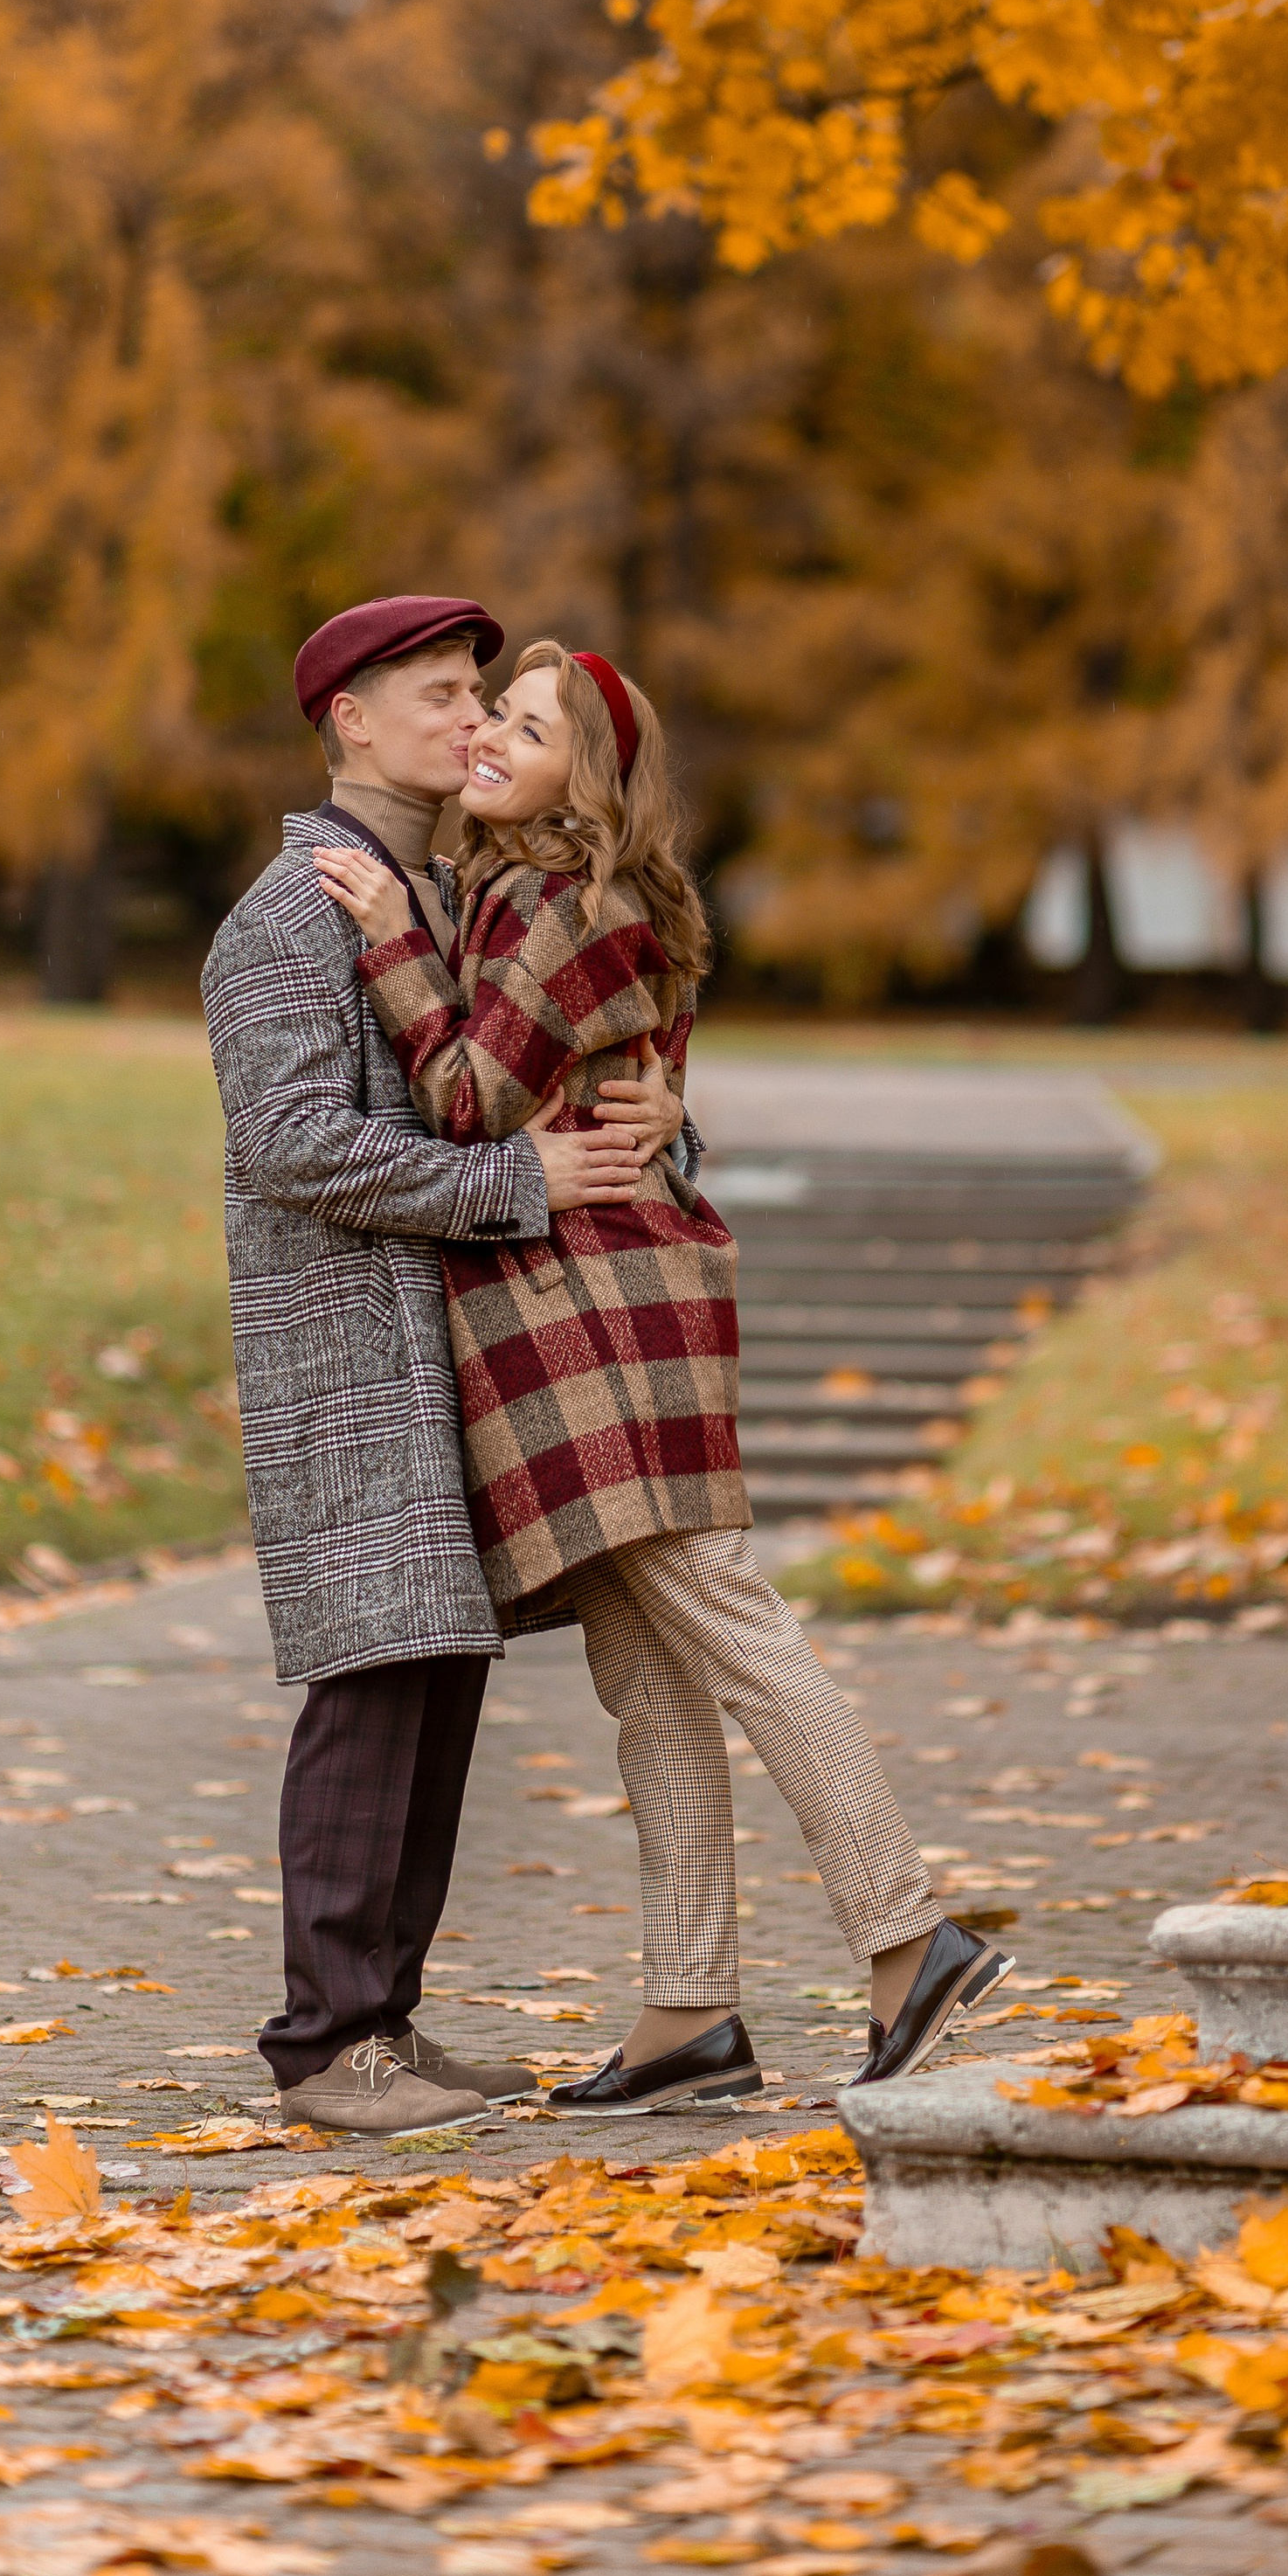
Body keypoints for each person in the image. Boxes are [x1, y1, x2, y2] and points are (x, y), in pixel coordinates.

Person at [314, 638, 1013, 2110]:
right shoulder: (526, 888)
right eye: (492, 711)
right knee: (649, 1678)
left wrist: (385, 931)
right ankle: (688, 2010)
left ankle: (909, 1936)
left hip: (605, 1317)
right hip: (583, 1308)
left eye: (531, 726)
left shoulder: (564, 899)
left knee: (729, 1623)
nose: (494, 735)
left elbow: (464, 1098)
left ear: (592, 773)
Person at [202, 594, 689, 2137]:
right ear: (347, 718)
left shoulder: (453, 889)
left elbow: (541, 1074)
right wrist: (522, 1184)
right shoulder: (289, 914)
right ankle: (326, 2045)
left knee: (437, 1686)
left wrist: (652, 1116)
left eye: (482, 692)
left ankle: (386, 2031)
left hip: (466, 1352)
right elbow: (290, 1147)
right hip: (349, 1348)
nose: (471, 717)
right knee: (367, 1686)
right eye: (435, 693)